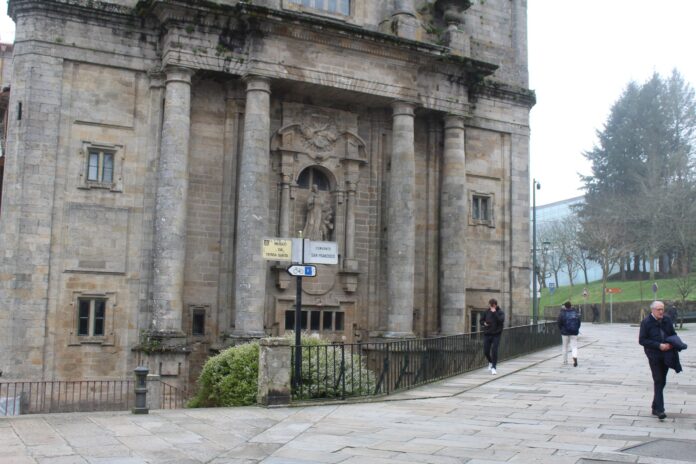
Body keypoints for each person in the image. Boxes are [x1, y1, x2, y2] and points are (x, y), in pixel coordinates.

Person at [639, 300, 677, 420]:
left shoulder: (667, 320)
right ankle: (660, 410)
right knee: (658, 380)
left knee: (662, 381)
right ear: (653, 310)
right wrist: (659, 345)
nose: (661, 312)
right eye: (659, 309)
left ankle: (655, 406)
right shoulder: (646, 322)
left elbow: (673, 334)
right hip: (653, 355)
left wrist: (671, 343)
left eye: (662, 309)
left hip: (666, 355)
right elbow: (642, 340)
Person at [481, 298, 505, 375]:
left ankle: (494, 367)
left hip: (496, 334)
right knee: (486, 351)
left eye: (492, 305)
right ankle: (490, 362)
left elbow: (501, 320)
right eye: (490, 305)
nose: (491, 307)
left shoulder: (500, 312)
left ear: (495, 305)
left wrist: (495, 313)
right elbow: (481, 320)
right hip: (487, 334)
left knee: (494, 350)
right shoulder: (486, 312)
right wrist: (484, 323)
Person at [557, 301, 581, 366]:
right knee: (574, 346)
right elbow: (579, 322)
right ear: (571, 306)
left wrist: (561, 329)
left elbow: (559, 323)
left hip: (565, 333)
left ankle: (565, 361)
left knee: (565, 347)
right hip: (574, 332)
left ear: (565, 306)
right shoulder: (575, 312)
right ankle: (574, 357)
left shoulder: (562, 313)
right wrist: (577, 329)